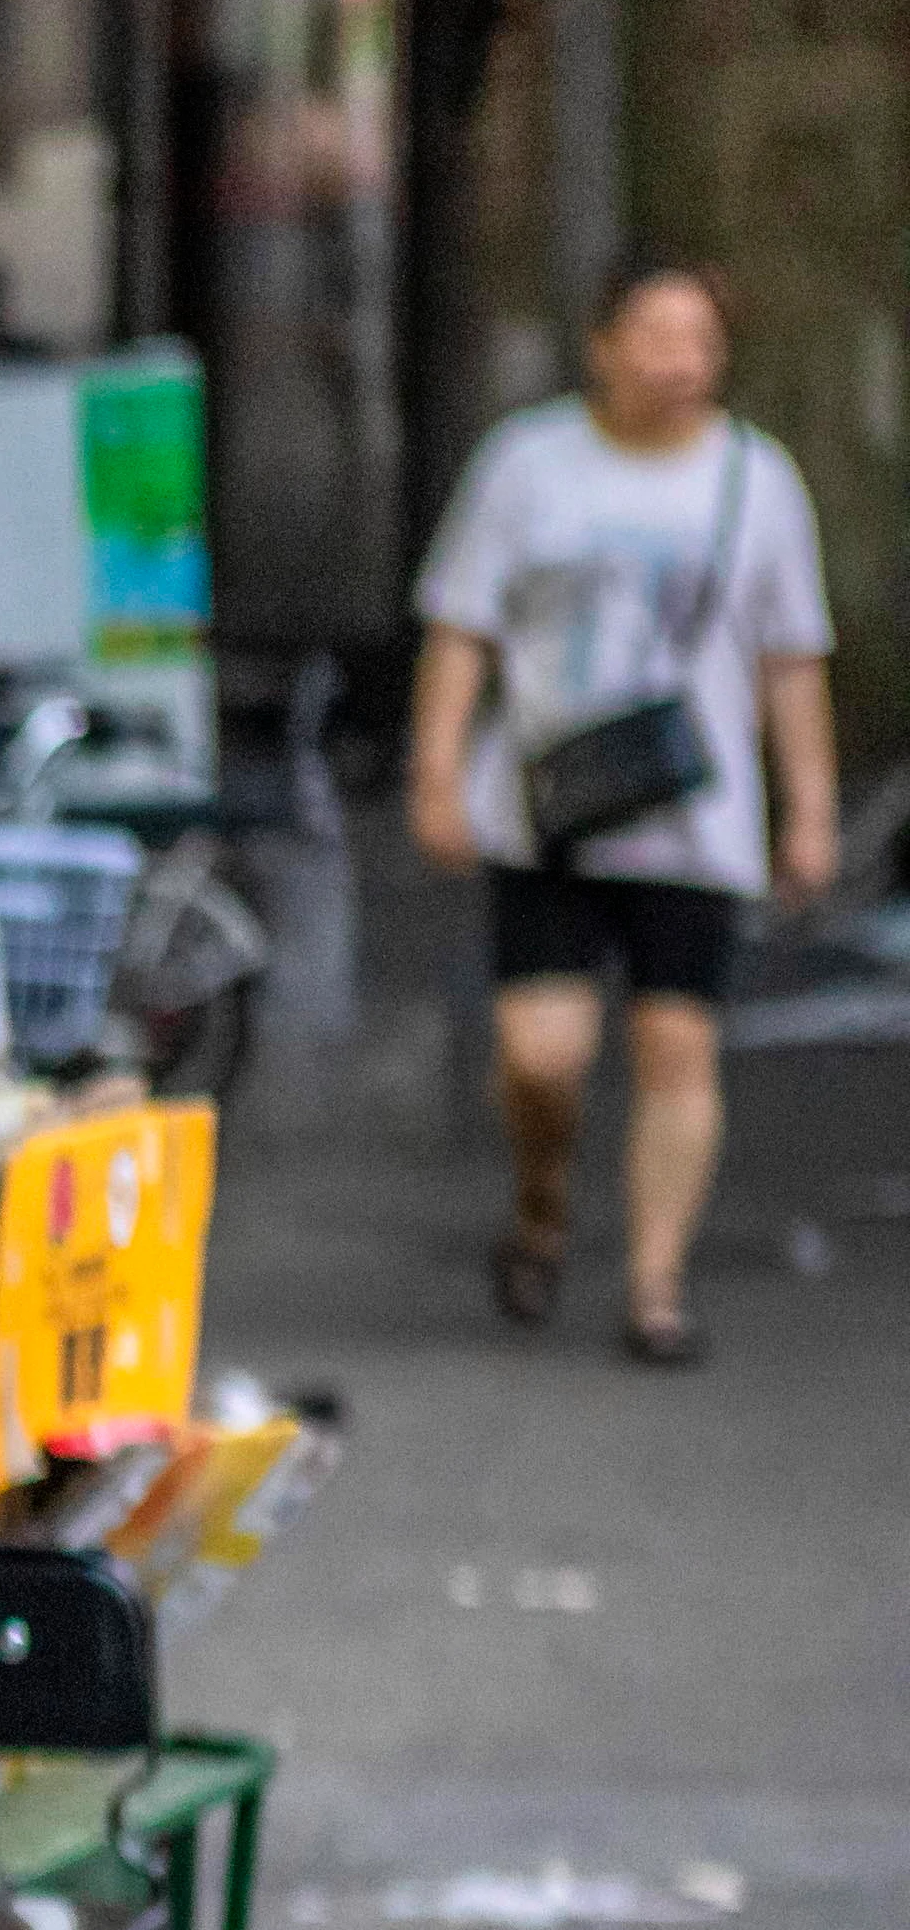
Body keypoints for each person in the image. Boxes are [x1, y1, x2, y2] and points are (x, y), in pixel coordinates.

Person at [407, 258, 840, 1366]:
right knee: (541, 1058)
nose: (677, 362)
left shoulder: (758, 479)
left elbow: (793, 659)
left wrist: (811, 809)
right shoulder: (530, 465)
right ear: (601, 343)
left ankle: (656, 1285)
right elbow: (463, 624)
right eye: (654, 335)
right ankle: (543, 1204)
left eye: (698, 340)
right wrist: (436, 771)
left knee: (677, 1046)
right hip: (546, 808)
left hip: (697, 820)